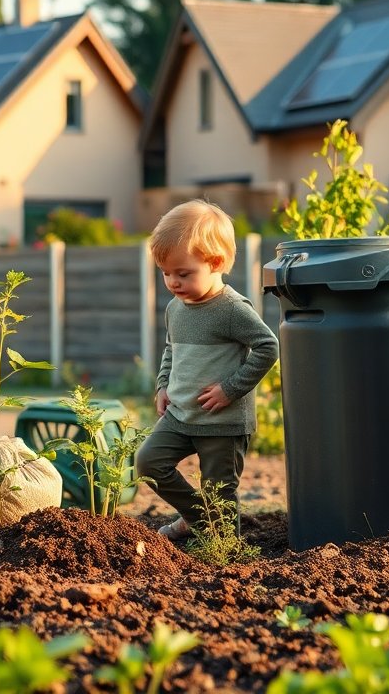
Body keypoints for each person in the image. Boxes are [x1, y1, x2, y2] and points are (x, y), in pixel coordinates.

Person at [136, 200, 278, 542]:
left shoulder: (231, 309)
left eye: (183, 273)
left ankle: (224, 554)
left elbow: (267, 347)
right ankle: (196, 517)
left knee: (220, 495)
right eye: (166, 273)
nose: (173, 282)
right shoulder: (176, 307)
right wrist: (162, 386)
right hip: (181, 413)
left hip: (222, 422)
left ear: (214, 263)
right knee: (149, 463)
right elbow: (171, 349)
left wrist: (230, 389)